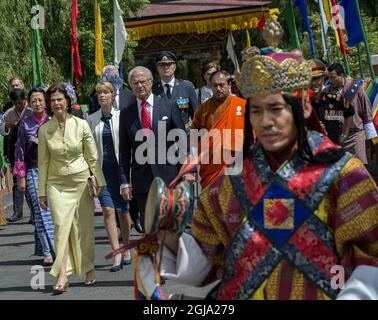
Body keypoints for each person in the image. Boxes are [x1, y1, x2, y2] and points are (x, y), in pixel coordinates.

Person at [151, 52, 378, 300]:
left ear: (303, 106)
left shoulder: (344, 175)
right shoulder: (232, 181)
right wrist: (168, 246)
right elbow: (207, 256)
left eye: (276, 108)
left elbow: (369, 260)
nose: (266, 121)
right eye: (256, 111)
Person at [38, 83, 106, 294]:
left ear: (67, 101)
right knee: (61, 229)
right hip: (56, 185)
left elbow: (92, 156)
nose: (56, 103)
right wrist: (41, 191)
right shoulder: (44, 130)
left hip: (80, 181)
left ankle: (88, 268)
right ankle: (62, 275)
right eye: (53, 100)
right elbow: (43, 163)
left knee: (83, 228)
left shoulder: (81, 125)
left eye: (60, 99)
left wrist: (100, 180)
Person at [119, 66, 189, 231]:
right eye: (135, 83)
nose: (140, 86)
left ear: (151, 82)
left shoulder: (168, 105)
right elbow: (124, 150)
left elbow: (181, 141)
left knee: (171, 225)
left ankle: (175, 256)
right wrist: (124, 182)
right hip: (142, 180)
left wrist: (185, 171)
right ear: (131, 86)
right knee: (150, 227)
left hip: (168, 176)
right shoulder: (126, 114)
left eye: (143, 81)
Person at [87, 81, 132, 271]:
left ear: (113, 95)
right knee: (108, 211)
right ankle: (116, 253)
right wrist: (91, 172)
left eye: (106, 92)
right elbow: (88, 149)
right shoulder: (91, 119)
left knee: (123, 211)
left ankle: (127, 247)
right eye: (99, 93)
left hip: (121, 170)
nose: (102, 96)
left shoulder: (123, 117)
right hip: (102, 171)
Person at [13, 87, 55, 266]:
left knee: (54, 212)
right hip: (33, 172)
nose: (37, 103)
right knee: (39, 211)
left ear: (46, 101)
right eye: (34, 101)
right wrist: (20, 177)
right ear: (30, 104)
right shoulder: (25, 124)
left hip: (54, 173)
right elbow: (19, 151)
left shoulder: (54, 121)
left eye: (40, 100)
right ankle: (48, 252)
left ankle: (60, 247)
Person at [191, 70, 246, 189]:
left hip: (238, 161)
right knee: (213, 200)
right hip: (212, 164)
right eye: (215, 85)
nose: (218, 88)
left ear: (229, 85)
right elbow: (194, 135)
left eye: (222, 85)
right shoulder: (203, 109)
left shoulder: (242, 105)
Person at [327, 63, 377, 164]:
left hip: (355, 135)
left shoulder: (356, 88)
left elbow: (366, 111)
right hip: (339, 137)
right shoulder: (328, 91)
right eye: (329, 78)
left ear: (341, 76)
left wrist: (371, 138)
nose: (330, 81)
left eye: (333, 77)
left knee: (360, 167)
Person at [1, 89, 32, 222]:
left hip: (31, 152)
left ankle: (34, 212)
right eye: (16, 103)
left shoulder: (31, 110)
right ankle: (17, 212)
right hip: (15, 153)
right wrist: (8, 125)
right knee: (16, 183)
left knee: (30, 183)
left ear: (25, 99)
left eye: (21, 102)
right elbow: (3, 133)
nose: (19, 105)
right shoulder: (9, 113)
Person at [152, 51, 199, 134]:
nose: (166, 67)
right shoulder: (152, 90)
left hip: (185, 135)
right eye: (162, 65)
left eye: (169, 64)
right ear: (157, 68)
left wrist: (194, 142)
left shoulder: (187, 87)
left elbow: (196, 116)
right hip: (162, 138)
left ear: (174, 67)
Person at [309, 59, 355, 144]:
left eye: (317, 78)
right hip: (313, 150)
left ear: (323, 78)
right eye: (310, 79)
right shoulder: (303, 104)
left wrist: (344, 134)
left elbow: (350, 112)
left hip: (334, 148)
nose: (314, 82)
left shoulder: (335, 99)